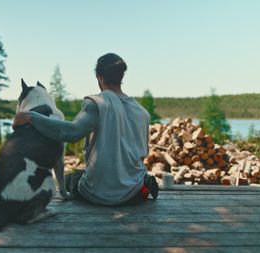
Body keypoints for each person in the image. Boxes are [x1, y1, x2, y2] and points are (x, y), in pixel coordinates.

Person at [12, 53, 158, 206]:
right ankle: (146, 182)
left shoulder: (97, 103)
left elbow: (70, 132)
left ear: (99, 77)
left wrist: (31, 117)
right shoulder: (142, 112)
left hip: (101, 195)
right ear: (121, 77)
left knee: (71, 179)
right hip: (134, 192)